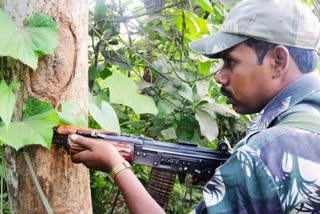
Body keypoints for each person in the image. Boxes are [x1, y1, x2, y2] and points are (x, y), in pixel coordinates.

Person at [70, 0, 320, 213]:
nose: (220, 77)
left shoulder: (268, 150)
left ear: (278, 61)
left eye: (231, 62)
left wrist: (116, 167)